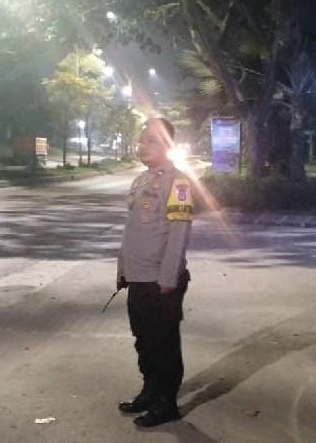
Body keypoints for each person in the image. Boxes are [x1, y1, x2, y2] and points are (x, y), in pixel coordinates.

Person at [116, 118, 193, 428]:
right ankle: (150, 392)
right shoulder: (140, 181)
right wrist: (123, 269)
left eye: (151, 140)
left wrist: (168, 277)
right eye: (142, 139)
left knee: (163, 344)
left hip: (160, 280)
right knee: (143, 340)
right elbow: (131, 231)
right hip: (138, 277)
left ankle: (167, 403)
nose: (143, 146)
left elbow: (179, 232)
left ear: (168, 146)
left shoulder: (178, 183)